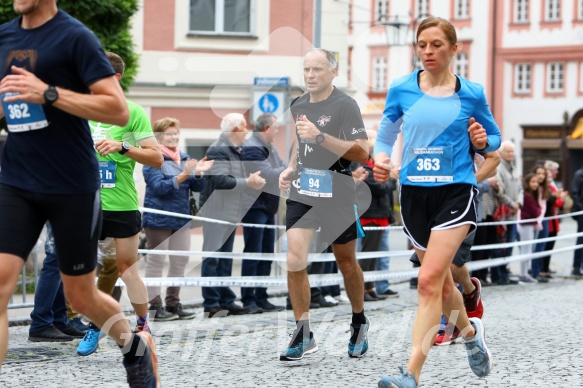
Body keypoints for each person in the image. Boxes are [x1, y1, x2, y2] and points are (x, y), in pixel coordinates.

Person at [0, 1, 159, 386]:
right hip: (17, 178)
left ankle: (135, 347)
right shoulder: (4, 36)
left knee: (82, 295)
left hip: (71, 183)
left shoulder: (75, 38)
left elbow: (117, 109)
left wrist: (48, 94)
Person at [373, 17, 500, 387]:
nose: (428, 51)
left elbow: (492, 139)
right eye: (422, 45)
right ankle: (472, 336)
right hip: (413, 195)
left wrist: (481, 140)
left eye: (437, 45)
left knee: (427, 282)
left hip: (455, 192)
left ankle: (410, 373)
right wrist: (382, 158)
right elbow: (386, 132)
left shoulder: (471, 92)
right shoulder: (401, 88)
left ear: (454, 49)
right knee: (443, 286)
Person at [278, 48, 371, 362]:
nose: (310, 76)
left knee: (346, 262)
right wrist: (292, 166)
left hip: (337, 190)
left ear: (333, 72)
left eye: (317, 69)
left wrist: (320, 138)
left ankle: (359, 320)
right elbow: (300, 140)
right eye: (306, 69)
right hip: (303, 190)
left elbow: (362, 152)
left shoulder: (346, 105)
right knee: (294, 258)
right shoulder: (298, 103)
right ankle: (303, 332)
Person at [77, 52, 163, 357]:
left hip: (122, 204)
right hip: (85, 204)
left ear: (115, 79)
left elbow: (156, 157)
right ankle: (94, 324)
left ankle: (143, 325)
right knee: (84, 273)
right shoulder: (82, 110)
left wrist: (122, 146)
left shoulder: (132, 113)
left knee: (127, 270)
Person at [142, 117, 213, 320]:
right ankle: (155, 307)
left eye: (175, 133)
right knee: (156, 262)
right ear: (158, 137)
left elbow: (197, 187)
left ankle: (173, 304)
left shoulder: (183, 157)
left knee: (179, 262)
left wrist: (198, 174)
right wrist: (184, 174)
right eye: (168, 134)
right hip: (158, 218)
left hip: (181, 218)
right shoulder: (152, 158)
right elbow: (160, 188)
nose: (173, 137)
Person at [198, 113, 266, 318]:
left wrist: (249, 181)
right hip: (216, 212)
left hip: (229, 212)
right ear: (236, 129)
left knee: (225, 259)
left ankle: (226, 300)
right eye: (244, 127)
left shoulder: (234, 150)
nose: (247, 131)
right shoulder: (219, 148)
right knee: (213, 258)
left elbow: (232, 180)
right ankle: (211, 303)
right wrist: (248, 182)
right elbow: (221, 180)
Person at [240, 113, 286, 313]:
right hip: (255, 206)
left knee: (267, 253)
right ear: (267, 128)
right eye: (275, 127)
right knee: (254, 253)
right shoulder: (252, 147)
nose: (277, 131)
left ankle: (261, 296)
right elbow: (268, 174)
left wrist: (283, 170)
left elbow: (282, 167)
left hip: (268, 206)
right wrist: (284, 171)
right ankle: (249, 298)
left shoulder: (269, 147)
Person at [352, 129, 395, 301]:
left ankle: (369, 287)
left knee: (374, 255)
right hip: (369, 215)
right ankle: (362, 289)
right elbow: (380, 188)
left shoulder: (372, 167)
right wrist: (392, 179)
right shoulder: (363, 168)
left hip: (379, 215)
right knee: (367, 256)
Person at [28, 224, 87, 342]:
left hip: (66, 208)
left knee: (62, 260)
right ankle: (41, 323)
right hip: (62, 207)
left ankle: (57, 320)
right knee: (56, 259)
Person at [490, 141, 523, 285]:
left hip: (513, 214)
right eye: (507, 151)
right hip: (501, 214)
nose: (510, 154)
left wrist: (519, 203)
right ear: (501, 153)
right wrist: (512, 204)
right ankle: (498, 275)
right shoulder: (498, 168)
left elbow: (521, 188)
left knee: (509, 246)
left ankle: (506, 272)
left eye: (512, 151)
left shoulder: (514, 169)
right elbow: (499, 191)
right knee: (500, 247)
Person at [538, 160, 564, 278]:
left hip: (553, 219)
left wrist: (557, 198)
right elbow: (552, 203)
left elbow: (560, 203)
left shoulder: (552, 188)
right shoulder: (546, 189)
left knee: (550, 246)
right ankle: (541, 269)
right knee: (545, 245)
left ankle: (545, 268)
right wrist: (556, 198)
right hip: (547, 219)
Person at [517, 173, 542, 284]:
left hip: (529, 225)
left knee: (528, 250)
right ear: (527, 183)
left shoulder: (531, 195)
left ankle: (525, 273)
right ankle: (523, 274)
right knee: (526, 250)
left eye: (536, 182)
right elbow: (536, 211)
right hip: (526, 225)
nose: (535, 184)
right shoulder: (528, 196)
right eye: (533, 182)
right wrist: (538, 208)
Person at [529, 164, 550, 283]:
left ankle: (537, 270)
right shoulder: (531, 188)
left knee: (541, 247)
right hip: (531, 220)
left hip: (542, 219)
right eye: (538, 174)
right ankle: (533, 271)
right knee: (532, 247)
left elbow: (543, 207)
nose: (541, 176)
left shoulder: (544, 188)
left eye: (543, 174)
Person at [570, 164, 583, 277]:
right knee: (581, 240)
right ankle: (577, 266)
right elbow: (575, 193)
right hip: (581, 213)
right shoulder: (579, 175)